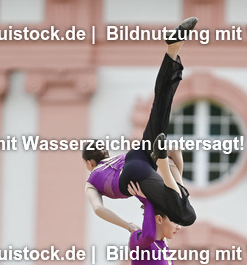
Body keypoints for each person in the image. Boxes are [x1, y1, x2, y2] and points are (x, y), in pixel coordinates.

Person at [83, 17, 199, 231]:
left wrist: (128, 225)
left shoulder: (91, 180)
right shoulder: (114, 158)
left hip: (132, 175)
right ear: (105, 154)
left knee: (187, 216)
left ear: (90, 163)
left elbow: (98, 209)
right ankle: (172, 52)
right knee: (160, 106)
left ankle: (164, 162)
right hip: (136, 155)